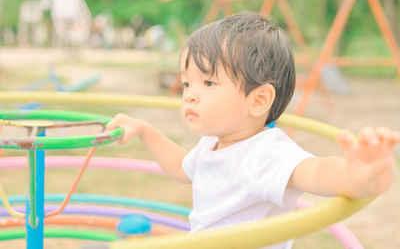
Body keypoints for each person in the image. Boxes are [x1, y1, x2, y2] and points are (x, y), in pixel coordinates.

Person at [106, 12, 400, 248]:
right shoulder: (214, 142)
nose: (189, 95)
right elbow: (184, 168)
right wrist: (145, 130)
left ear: (258, 100)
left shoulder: (266, 153)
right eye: (187, 83)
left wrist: (358, 176)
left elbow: (315, 171)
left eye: (207, 83)